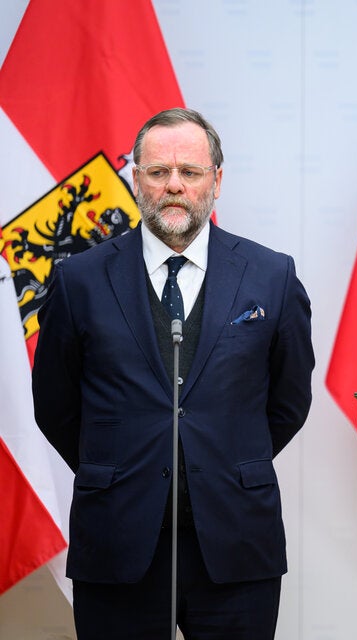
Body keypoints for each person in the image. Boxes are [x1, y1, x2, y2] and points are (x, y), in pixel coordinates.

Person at [32, 107, 314, 640]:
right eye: (158, 172)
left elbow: (287, 401)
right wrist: (119, 466)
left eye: (190, 172)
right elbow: (56, 405)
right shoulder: (80, 281)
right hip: (117, 541)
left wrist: (222, 460)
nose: (174, 186)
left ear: (217, 181)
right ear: (136, 179)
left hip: (235, 544)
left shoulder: (271, 276)